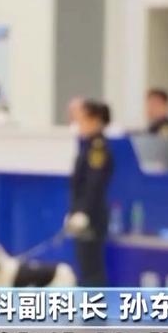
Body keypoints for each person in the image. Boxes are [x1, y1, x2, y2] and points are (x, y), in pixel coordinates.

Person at [65, 99, 113, 286]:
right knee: (84, 266)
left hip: (92, 214)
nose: (80, 124)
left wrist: (83, 212)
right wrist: (74, 211)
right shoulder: (86, 145)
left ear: (95, 120)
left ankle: (95, 304)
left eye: (83, 120)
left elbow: (94, 183)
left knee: (92, 269)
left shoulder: (97, 147)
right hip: (81, 212)